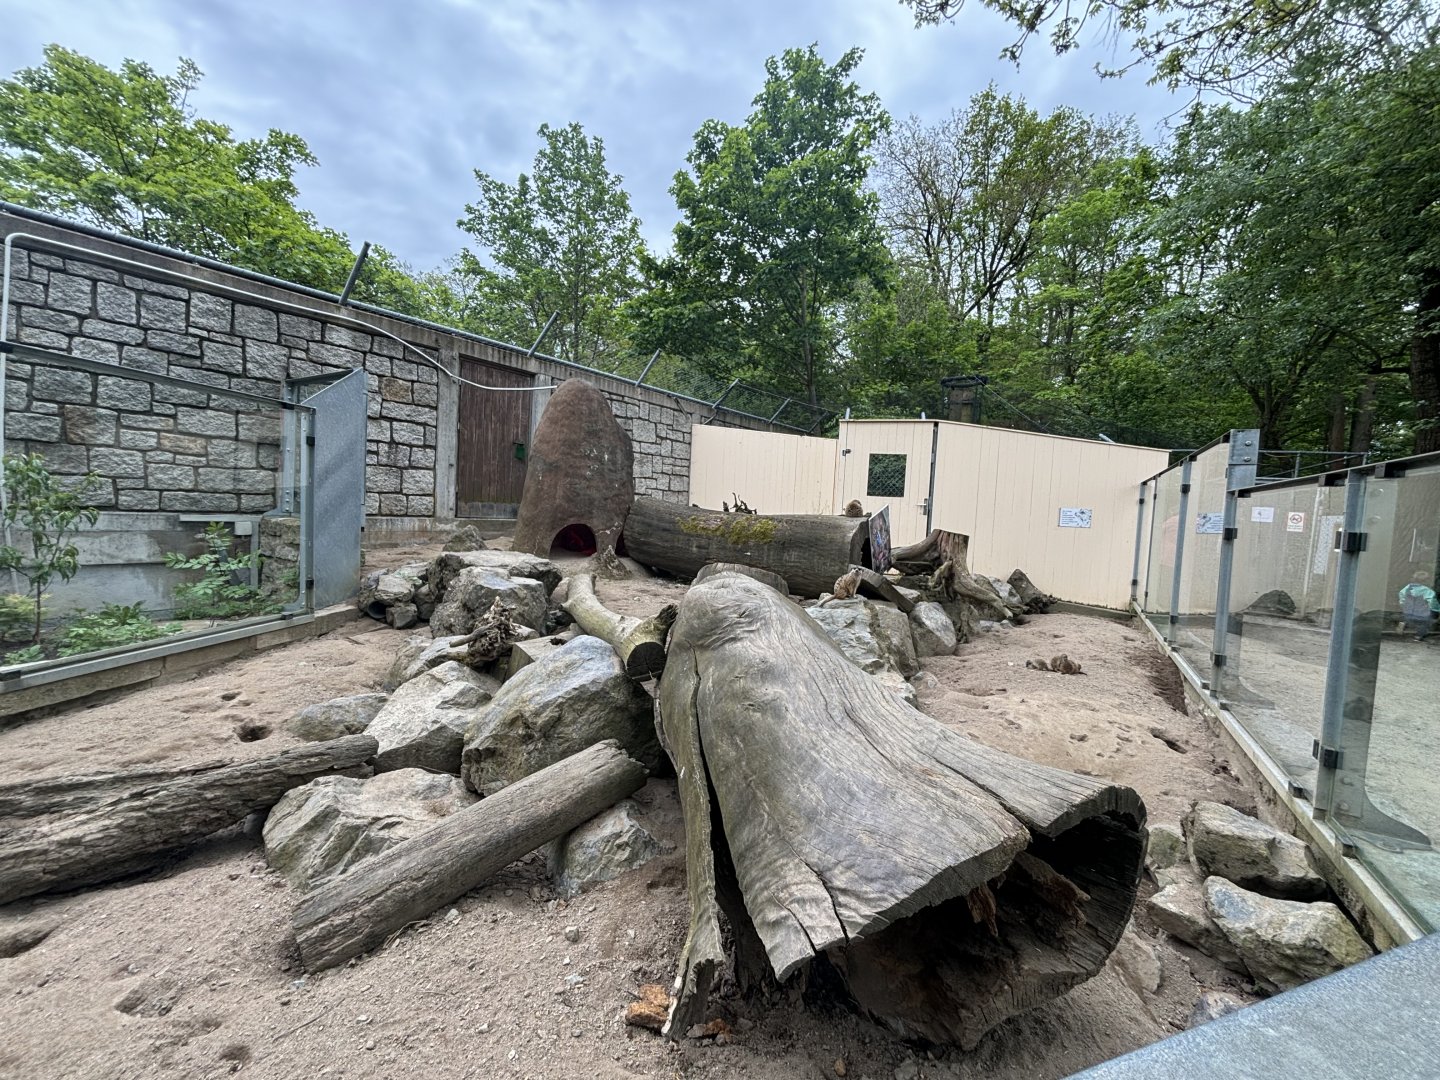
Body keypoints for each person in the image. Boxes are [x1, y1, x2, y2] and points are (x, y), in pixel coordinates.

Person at [1398, 571, 1439, 641]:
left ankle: (1404, 623)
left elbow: (1401, 596)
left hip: (1408, 612)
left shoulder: (1407, 588)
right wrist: (1437, 609)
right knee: (1425, 624)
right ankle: (1418, 636)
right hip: (1422, 614)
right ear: (1426, 581)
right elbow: (1432, 602)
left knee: (1410, 619)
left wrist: (1402, 604)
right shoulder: (1427, 591)